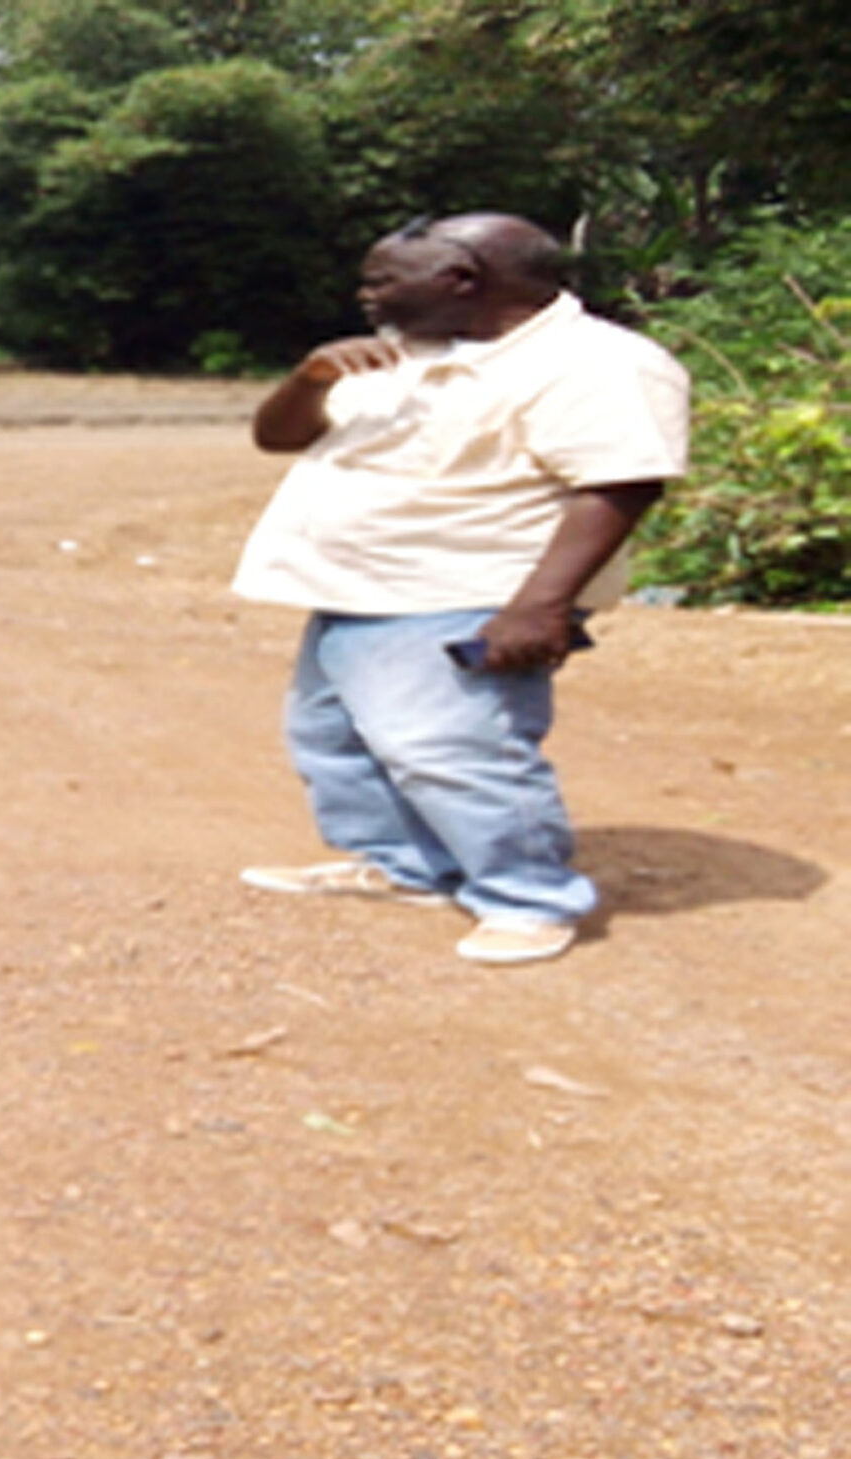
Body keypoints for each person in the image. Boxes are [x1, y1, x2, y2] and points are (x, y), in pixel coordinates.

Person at [231, 213, 689, 965]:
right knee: (336, 746)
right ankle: (409, 867)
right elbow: (279, 437)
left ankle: (529, 899)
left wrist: (539, 606)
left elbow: (621, 484)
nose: (365, 293)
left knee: (453, 751)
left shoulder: (599, 363)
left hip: (460, 591)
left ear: (461, 279)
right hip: (356, 588)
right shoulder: (404, 352)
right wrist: (310, 378)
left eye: (382, 279)